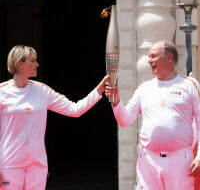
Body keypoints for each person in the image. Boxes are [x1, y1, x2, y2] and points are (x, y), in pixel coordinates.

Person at [0, 45, 109, 190]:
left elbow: (74, 110)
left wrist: (99, 90)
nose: (37, 64)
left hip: (37, 166)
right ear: (20, 63)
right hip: (9, 165)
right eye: (32, 61)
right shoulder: (2, 91)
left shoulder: (42, 91)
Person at [105, 40, 200, 190]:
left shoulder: (189, 85)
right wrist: (116, 101)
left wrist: (199, 157)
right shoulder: (144, 88)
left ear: (169, 58)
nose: (149, 61)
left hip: (180, 161)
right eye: (149, 57)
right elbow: (125, 119)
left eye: (154, 56)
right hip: (149, 161)